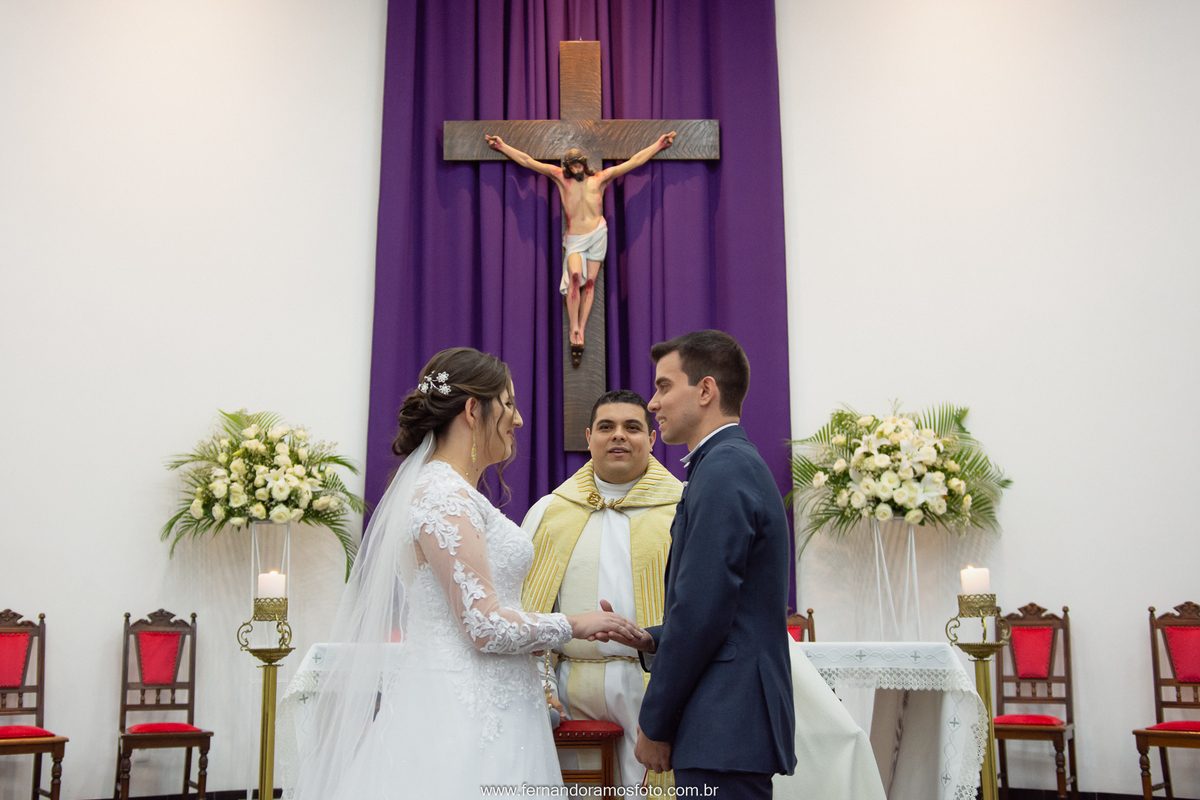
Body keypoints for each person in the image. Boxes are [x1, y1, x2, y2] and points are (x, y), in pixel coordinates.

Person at [284, 347, 642, 798]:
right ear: (474, 409)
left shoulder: (452, 492)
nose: (518, 420)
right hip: (461, 713)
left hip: (494, 701)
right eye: (508, 404)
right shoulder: (442, 496)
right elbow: (485, 624)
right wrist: (575, 623)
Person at [611, 330, 797, 799]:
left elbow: (701, 611)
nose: (653, 403)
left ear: (706, 390)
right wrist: (651, 635)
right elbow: (722, 604)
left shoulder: (724, 469)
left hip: (724, 719)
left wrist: (654, 722)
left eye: (664, 386)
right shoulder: (725, 464)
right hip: (727, 722)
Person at [520, 390, 683, 790]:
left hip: (651, 687)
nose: (619, 436)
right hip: (570, 688)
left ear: (652, 439)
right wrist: (543, 688)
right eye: (606, 427)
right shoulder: (549, 512)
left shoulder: (683, 508)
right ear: (589, 437)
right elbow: (528, 608)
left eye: (632, 427)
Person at [484, 131, 675, 364]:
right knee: (574, 276)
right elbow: (527, 161)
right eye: (570, 165)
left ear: (583, 164)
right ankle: (573, 324)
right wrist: (503, 146)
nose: (574, 168)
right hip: (575, 238)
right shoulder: (560, 179)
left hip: (597, 234)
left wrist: (657, 144)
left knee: (591, 283)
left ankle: (581, 329)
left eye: (577, 164)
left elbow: (634, 161)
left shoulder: (600, 179)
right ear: (567, 166)